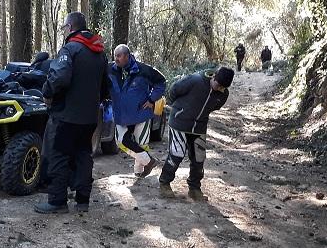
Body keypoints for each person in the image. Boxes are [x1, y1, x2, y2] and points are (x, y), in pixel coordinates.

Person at [35, 11, 108, 214]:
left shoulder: (70, 49)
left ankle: (57, 201)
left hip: (66, 115)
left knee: (58, 155)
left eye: (64, 28)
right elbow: (105, 86)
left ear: (70, 27)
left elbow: (59, 77)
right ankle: (82, 201)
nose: (64, 31)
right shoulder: (100, 53)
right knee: (84, 155)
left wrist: (47, 93)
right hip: (89, 118)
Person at [159, 66, 234, 201]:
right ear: (214, 77)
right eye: (218, 85)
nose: (219, 89)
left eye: (222, 87)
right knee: (177, 153)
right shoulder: (195, 80)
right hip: (179, 123)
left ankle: (194, 189)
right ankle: (164, 183)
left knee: (199, 158)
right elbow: (174, 90)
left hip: (199, 127)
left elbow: (214, 107)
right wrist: (180, 109)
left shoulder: (223, 94)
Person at [108, 44, 166, 178]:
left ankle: (138, 172)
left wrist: (152, 99)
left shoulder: (143, 70)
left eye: (119, 56)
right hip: (121, 114)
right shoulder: (110, 69)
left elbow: (161, 82)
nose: (116, 59)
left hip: (141, 113)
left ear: (127, 56)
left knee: (141, 144)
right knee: (120, 141)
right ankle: (149, 161)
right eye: (115, 56)